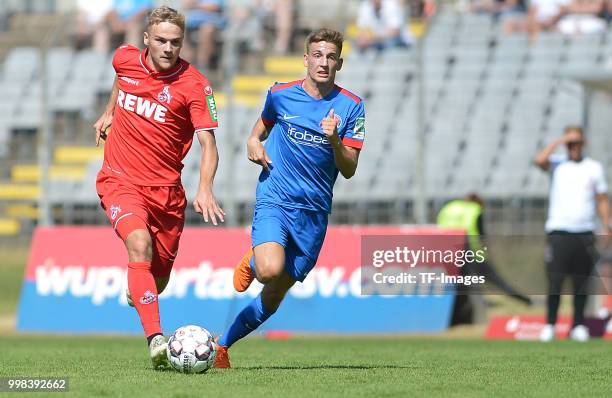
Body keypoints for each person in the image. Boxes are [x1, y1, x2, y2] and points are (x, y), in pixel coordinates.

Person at [213, 28, 366, 368]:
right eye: (317, 55)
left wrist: (335, 141)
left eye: (330, 57)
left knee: (273, 295)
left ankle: (221, 346)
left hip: (313, 213)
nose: (323, 63)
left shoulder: (352, 106)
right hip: (276, 198)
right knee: (268, 269)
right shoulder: (280, 94)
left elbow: (350, 169)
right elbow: (259, 131)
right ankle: (254, 261)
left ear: (339, 63)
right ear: (307, 59)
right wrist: (253, 143)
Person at [93, 5, 224, 369]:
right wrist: (110, 112)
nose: (168, 48)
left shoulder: (195, 85)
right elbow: (122, 79)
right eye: (162, 41)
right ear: (146, 39)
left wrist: (206, 187)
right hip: (119, 180)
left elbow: (209, 144)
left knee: (157, 277)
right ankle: (156, 342)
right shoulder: (125, 57)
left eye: (176, 42)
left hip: (166, 194)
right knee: (139, 245)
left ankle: (140, 286)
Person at [534, 125, 609, 342]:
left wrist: (607, 225)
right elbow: (540, 160)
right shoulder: (558, 164)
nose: (574, 147)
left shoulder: (593, 167)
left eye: (577, 142)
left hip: (584, 231)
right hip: (559, 231)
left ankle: (578, 325)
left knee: (582, 282)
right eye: (570, 143)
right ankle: (550, 325)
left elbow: (602, 199)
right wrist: (559, 141)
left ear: (583, 143)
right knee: (555, 281)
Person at [437, 193, 532, 325]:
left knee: (458, 286)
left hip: (446, 252)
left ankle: (456, 318)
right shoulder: (474, 210)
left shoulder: (449, 208)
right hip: (469, 250)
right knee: (494, 279)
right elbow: (481, 235)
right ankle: (524, 300)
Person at [180, 0, 226, 69]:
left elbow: (213, 7)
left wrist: (195, 4)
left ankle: (202, 63)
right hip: (192, 22)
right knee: (178, 28)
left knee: (206, 30)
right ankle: (186, 60)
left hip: (212, 21)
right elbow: (186, 4)